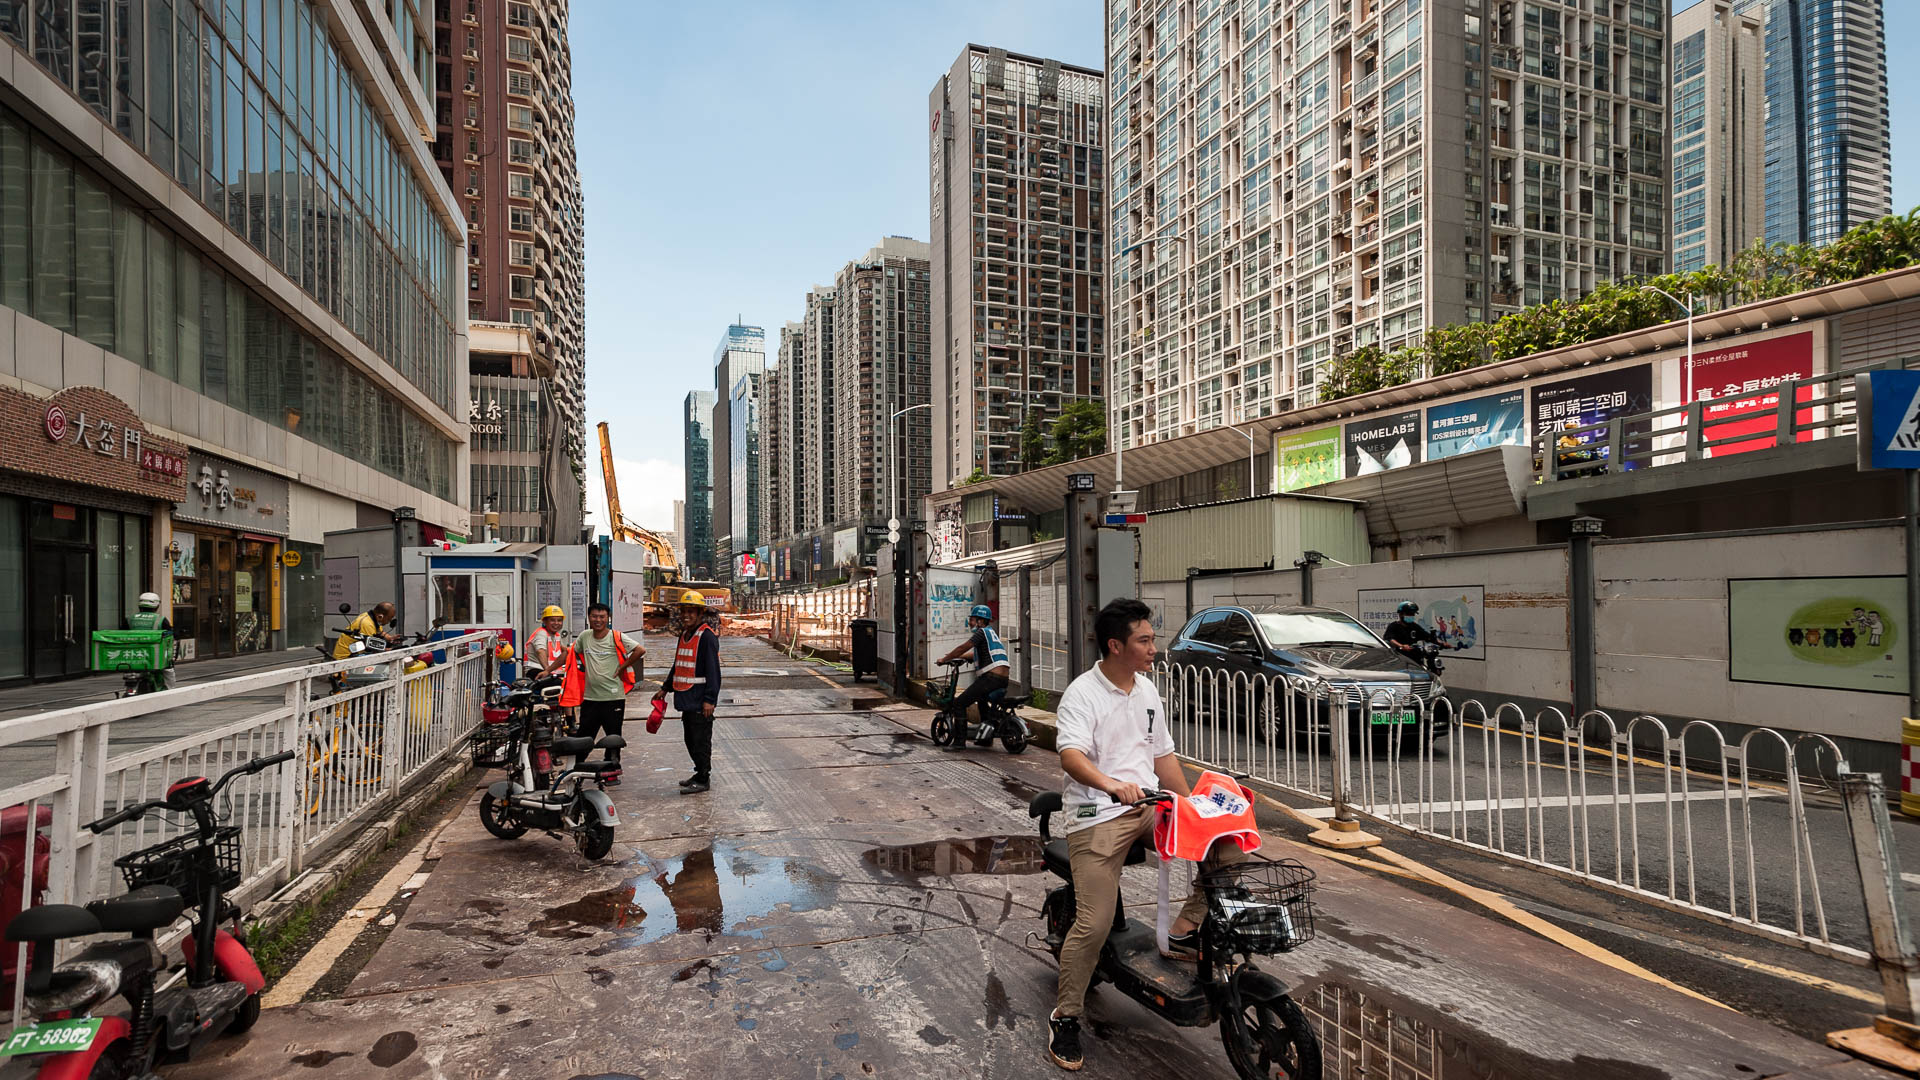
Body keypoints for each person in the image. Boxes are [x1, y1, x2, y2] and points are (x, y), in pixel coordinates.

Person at [1047, 597, 1247, 1072]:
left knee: (1227, 848)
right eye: (1145, 639)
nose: (1154, 646)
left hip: (1150, 807)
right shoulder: (1083, 693)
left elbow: (1162, 759)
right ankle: (1066, 1016)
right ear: (1116, 646)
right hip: (1097, 815)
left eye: (1152, 638)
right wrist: (1113, 785)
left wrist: (1191, 806)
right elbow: (1070, 756)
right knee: (1093, 924)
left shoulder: (1148, 692)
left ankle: (1180, 933)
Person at [556, 603, 646, 785]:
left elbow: (640, 650)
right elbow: (571, 654)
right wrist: (548, 669)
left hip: (613, 698)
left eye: (602, 617)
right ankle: (576, 770)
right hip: (590, 698)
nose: (598, 620)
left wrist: (623, 666)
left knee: (613, 737)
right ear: (589, 618)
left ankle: (611, 772)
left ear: (608, 618)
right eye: (595, 616)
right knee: (584, 736)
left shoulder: (616, 637)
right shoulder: (584, 637)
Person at [654, 589, 721, 795]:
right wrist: (665, 688)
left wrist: (710, 700)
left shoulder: (707, 637)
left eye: (692, 612)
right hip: (687, 699)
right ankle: (698, 772)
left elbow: (713, 672)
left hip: (700, 700)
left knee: (700, 741)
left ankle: (703, 778)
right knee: (690, 739)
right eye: (684, 611)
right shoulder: (685, 635)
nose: (687, 615)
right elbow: (678, 665)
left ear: (701, 614)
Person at [933, 603, 1012, 746]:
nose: (970, 622)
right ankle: (986, 738)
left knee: (959, 704)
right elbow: (974, 654)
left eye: (972, 619)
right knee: (981, 700)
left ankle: (959, 742)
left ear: (980, 621)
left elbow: (963, 647)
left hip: (991, 678)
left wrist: (945, 659)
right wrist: (961, 657)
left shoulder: (980, 633)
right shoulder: (990, 633)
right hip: (1002, 679)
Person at [124, 592, 174, 691]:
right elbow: (170, 636)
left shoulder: (129, 619)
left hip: (131, 656)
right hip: (154, 656)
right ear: (156, 605)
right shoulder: (160, 620)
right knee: (169, 671)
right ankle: (171, 692)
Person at [333, 601, 401, 661]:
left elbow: (380, 632)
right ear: (380, 616)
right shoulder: (366, 624)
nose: (389, 622)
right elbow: (374, 648)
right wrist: (392, 651)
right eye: (389, 619)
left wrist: (390, 638)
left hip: (358, 653)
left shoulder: (373, 619)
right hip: (346, 658)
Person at [526, 605, 569, 677]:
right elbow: (540, 651)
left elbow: (566, 651)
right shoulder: (541, 633)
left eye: (559, 620)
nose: (556, 623)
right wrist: (547, 670)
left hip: (550, 672)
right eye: (552, 620)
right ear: (544, 621)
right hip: (537, 671)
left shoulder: (556, 636)